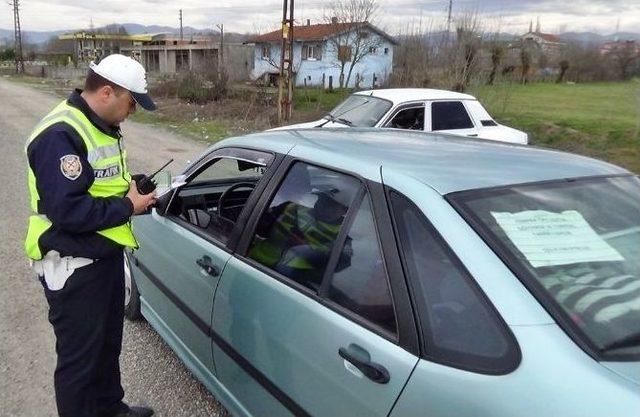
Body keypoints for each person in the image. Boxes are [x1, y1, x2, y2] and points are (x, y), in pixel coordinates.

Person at [24, 54, 158, 417]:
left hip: (102, 256)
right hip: (72, 265)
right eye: (132, 103)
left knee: (106, 346)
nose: (133, 111)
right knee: (80, 363)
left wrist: (131, 191)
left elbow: (97, 185)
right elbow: (69, 211)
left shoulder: (99, 124)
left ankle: (111, 409)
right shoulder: (60, 135)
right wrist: (128, 206)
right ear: (107, 92)